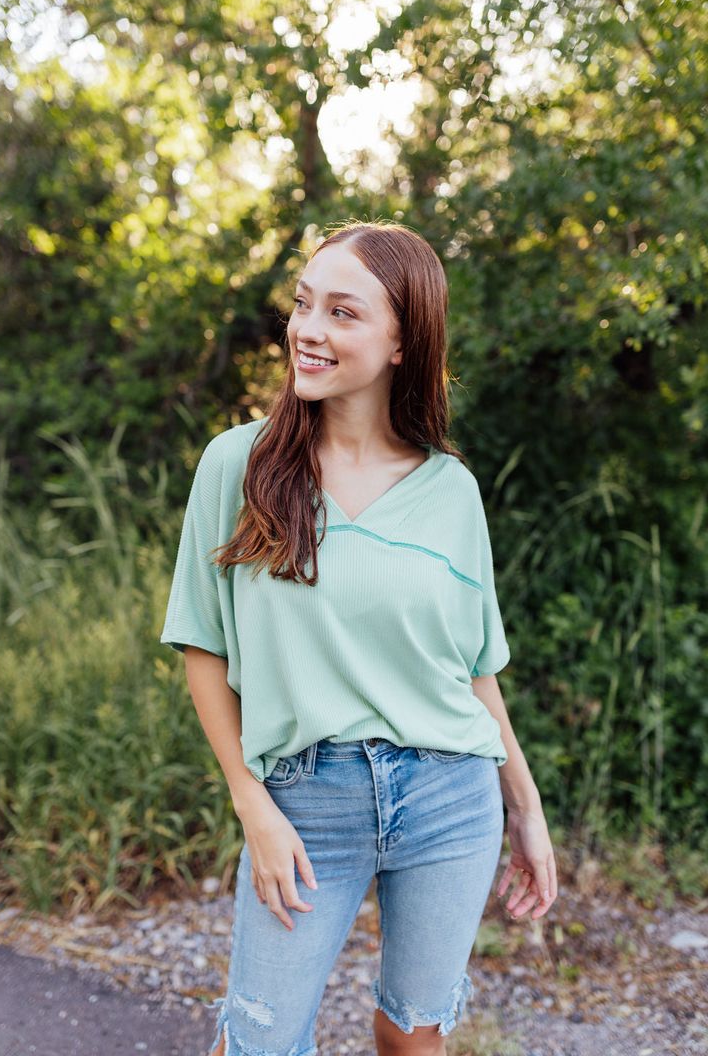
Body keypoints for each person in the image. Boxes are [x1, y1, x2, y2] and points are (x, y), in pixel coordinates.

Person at [160, 219, 558, 1056]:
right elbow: (205, 649)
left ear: (403, 341)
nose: (308, 330)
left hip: (452, 798)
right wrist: (251, 805)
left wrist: (525, 808)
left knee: (412, 1038)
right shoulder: (238, 465)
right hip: (304, 800)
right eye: (304, 305)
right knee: (259, 1042)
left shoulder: (451, 491)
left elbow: (474, 674)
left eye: (343, 313)